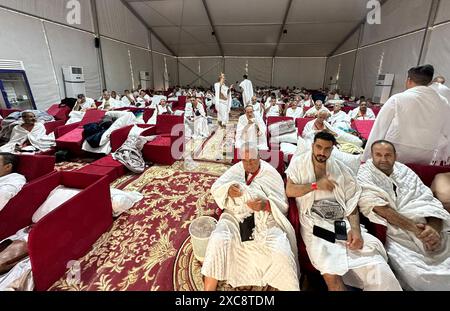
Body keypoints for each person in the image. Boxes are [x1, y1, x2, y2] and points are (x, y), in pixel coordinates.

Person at [285, 132, 402, 291]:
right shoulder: (299, 163)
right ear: (313, 146)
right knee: (330, 270)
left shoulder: (341, 169)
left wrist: (355, 230)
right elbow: (290, 190)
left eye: (327, 149)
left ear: (332, 150)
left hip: (340, 222)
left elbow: (352, 203)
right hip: (314, 223)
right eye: (318, 147)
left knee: (377, 265)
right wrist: (315, 185)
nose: (322, 152)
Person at [202, 143, 300, 291]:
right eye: (245, 161)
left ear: (260, 157)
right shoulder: (237, 169)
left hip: (265, 220)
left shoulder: (271, 173)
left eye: (253, 160)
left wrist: (265, 205)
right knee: (219, 240)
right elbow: (217, 187)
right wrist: (228, 190)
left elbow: (283, 204)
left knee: (282, 252)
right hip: (236, 216)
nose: (249, 164)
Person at [358, 140, 450, 290]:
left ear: (395, 156)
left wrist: (434, 229)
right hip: (398, 232)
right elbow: (378, 207)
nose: (383, 159)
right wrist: (417, 230)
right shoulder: (364, 173)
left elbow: (428, 200)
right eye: (378, 155)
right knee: (418, 275)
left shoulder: (404, 171)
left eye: (388, 155)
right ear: (372, 156)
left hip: (428, 225)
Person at [362, 65, 450, 164]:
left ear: (408, 80)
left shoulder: (398, 99)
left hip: (396, 152)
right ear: (429, 83)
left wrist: (366, 159)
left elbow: (379, 129)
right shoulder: (443, 102)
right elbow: (446, 132)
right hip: (425, 155)